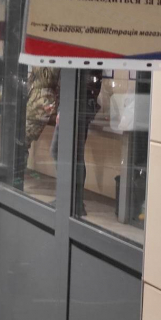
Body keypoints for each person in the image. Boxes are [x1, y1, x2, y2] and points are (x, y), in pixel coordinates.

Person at [51, 70, 103, 216]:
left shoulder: (87, 62)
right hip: (76, 104)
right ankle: (72, 200)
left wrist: (63, 108)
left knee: (64, 152)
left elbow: (78, 82)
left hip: (77, 105)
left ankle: (73, 201)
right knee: (72, 154)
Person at [15, 66, 60, 188]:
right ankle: (17, 175)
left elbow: (49, 80)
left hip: (43, 104)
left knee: (22, 140)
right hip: (34, 101)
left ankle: (18, 177)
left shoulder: (52, 62)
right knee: (19, 139)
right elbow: (33, 79)